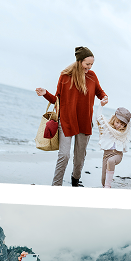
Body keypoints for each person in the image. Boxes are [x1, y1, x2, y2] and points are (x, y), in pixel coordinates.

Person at [35, 46, 109, 187]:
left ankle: (75, 180)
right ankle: (56, 186)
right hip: (67, 120)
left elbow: (100, 92)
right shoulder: (65, 76)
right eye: (87, 64)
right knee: (64, 155)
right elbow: (57, 100)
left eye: (92, 64)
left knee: (80, 157)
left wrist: (105, 98)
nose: (90, 67)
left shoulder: (92, 76)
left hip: (84, 121)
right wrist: (45, 93)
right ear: (79, 61)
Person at [92, 104, 131, 189]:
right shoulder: (107, 128)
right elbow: (99, 117)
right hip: (106, 155)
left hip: (117, 155)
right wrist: (101, 105)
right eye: (117, 122)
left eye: (122, 124)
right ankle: (106, 186)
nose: (119, 125)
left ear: (125, 125)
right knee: (103, 180)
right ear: (113, 119)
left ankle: (108, 185)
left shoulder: (124, 132)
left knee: (111, 161)